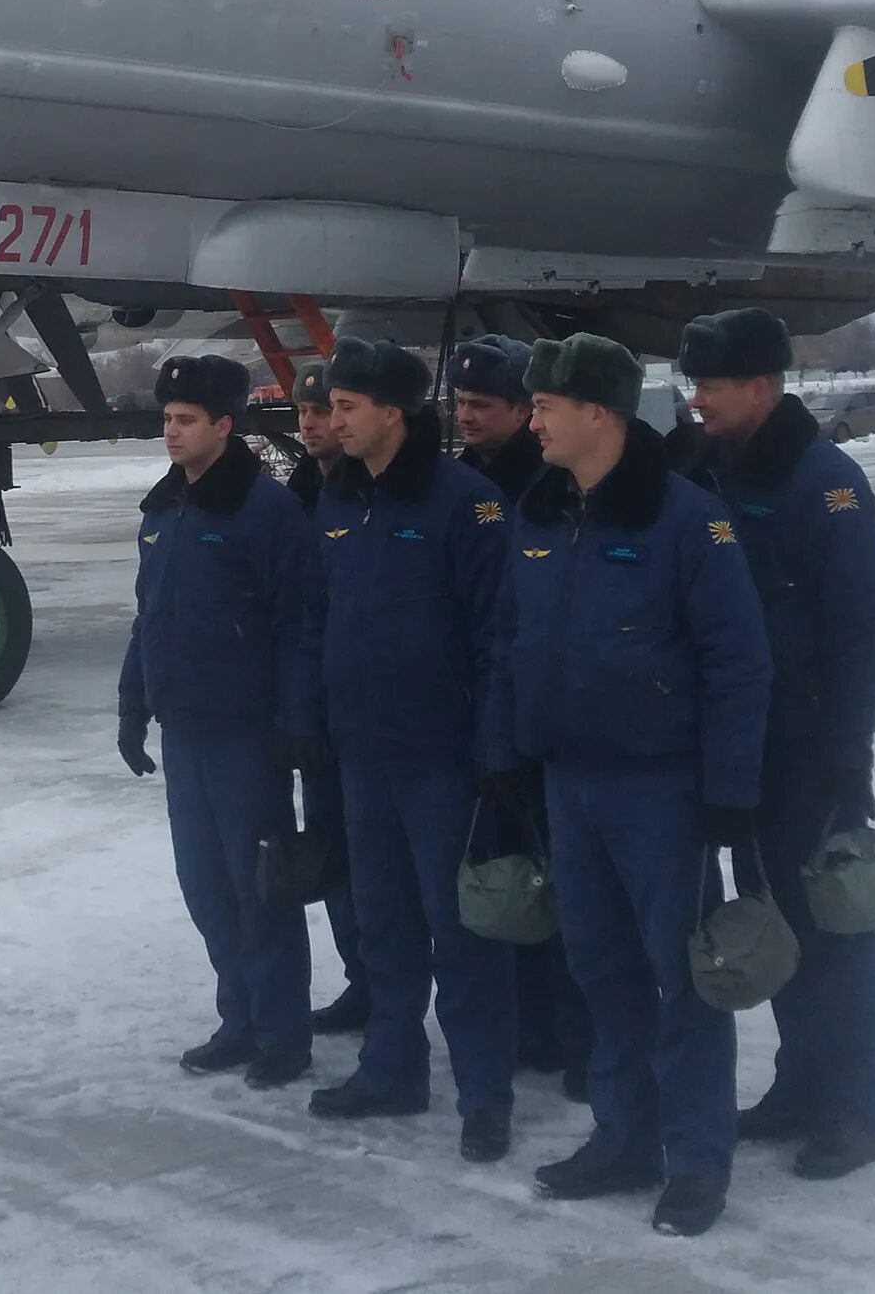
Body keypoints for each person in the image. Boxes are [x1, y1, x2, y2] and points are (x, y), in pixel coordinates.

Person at [490, 332, 771, 1239]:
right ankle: (623, 1139)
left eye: (545, 406)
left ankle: (695, 1163)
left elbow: (739, 661)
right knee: (600, 973)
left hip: (662, 790)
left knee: (684, 980)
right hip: (568, 782)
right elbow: (507, 646)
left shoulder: (688, 519)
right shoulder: (537, 516)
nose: (532, 420)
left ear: (598, 413)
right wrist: (506, 753)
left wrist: (729, 790)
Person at [679, 307, 875, 1181]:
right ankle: (799, 1085)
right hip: (742, 741)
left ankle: (854, 1108)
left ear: (763, 387)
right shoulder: (713, 465)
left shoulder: (824, 482)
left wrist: (852, 753)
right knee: (773, 921)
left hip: (810, 745)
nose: (697, 401)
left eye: (714, 387)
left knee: (834, 928)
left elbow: (861, 630)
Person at [307, 336, 518, 1164]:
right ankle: (391, 1069)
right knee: (384, 926)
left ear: (392, 415)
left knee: (462, 934)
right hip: (362, 754)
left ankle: (486, 1096)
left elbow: (498, 636)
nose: (333, 420)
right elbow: (315, 620)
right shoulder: (337, 500)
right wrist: (311, 720)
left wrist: (494, 753)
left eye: (348, 407)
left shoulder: (464, 504)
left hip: (442, 760)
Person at [116, 354, 325, 1087]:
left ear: (224, 426)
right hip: (185, 729)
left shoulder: (264, 512)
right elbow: (151, 616)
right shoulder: (163, 510)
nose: (170, 433)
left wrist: (293, 721)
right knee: (205, 885)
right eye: (166, 420)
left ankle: (282, 1033)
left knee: (259, 885)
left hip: (245, 733)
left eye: (185, 421)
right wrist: (133, 702)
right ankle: (238, 1018)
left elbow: (298, 622)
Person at [449, 333, 588, 1095]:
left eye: (484, 405)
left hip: (545, 715)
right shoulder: (459, 483)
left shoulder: (551, 484)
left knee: (560, 883)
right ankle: (532, 1021)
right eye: (460, 403)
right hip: (488, 713)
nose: (466, 416)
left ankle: (577, 1032)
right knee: (512, 878)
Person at [285, 357, 369, 1036]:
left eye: (325, 412)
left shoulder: (363, 493)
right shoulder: (299, 492)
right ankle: (360, 980)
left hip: (369, 712)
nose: (313, 425)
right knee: (332, 855)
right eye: (306, 414)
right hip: (320, 709)